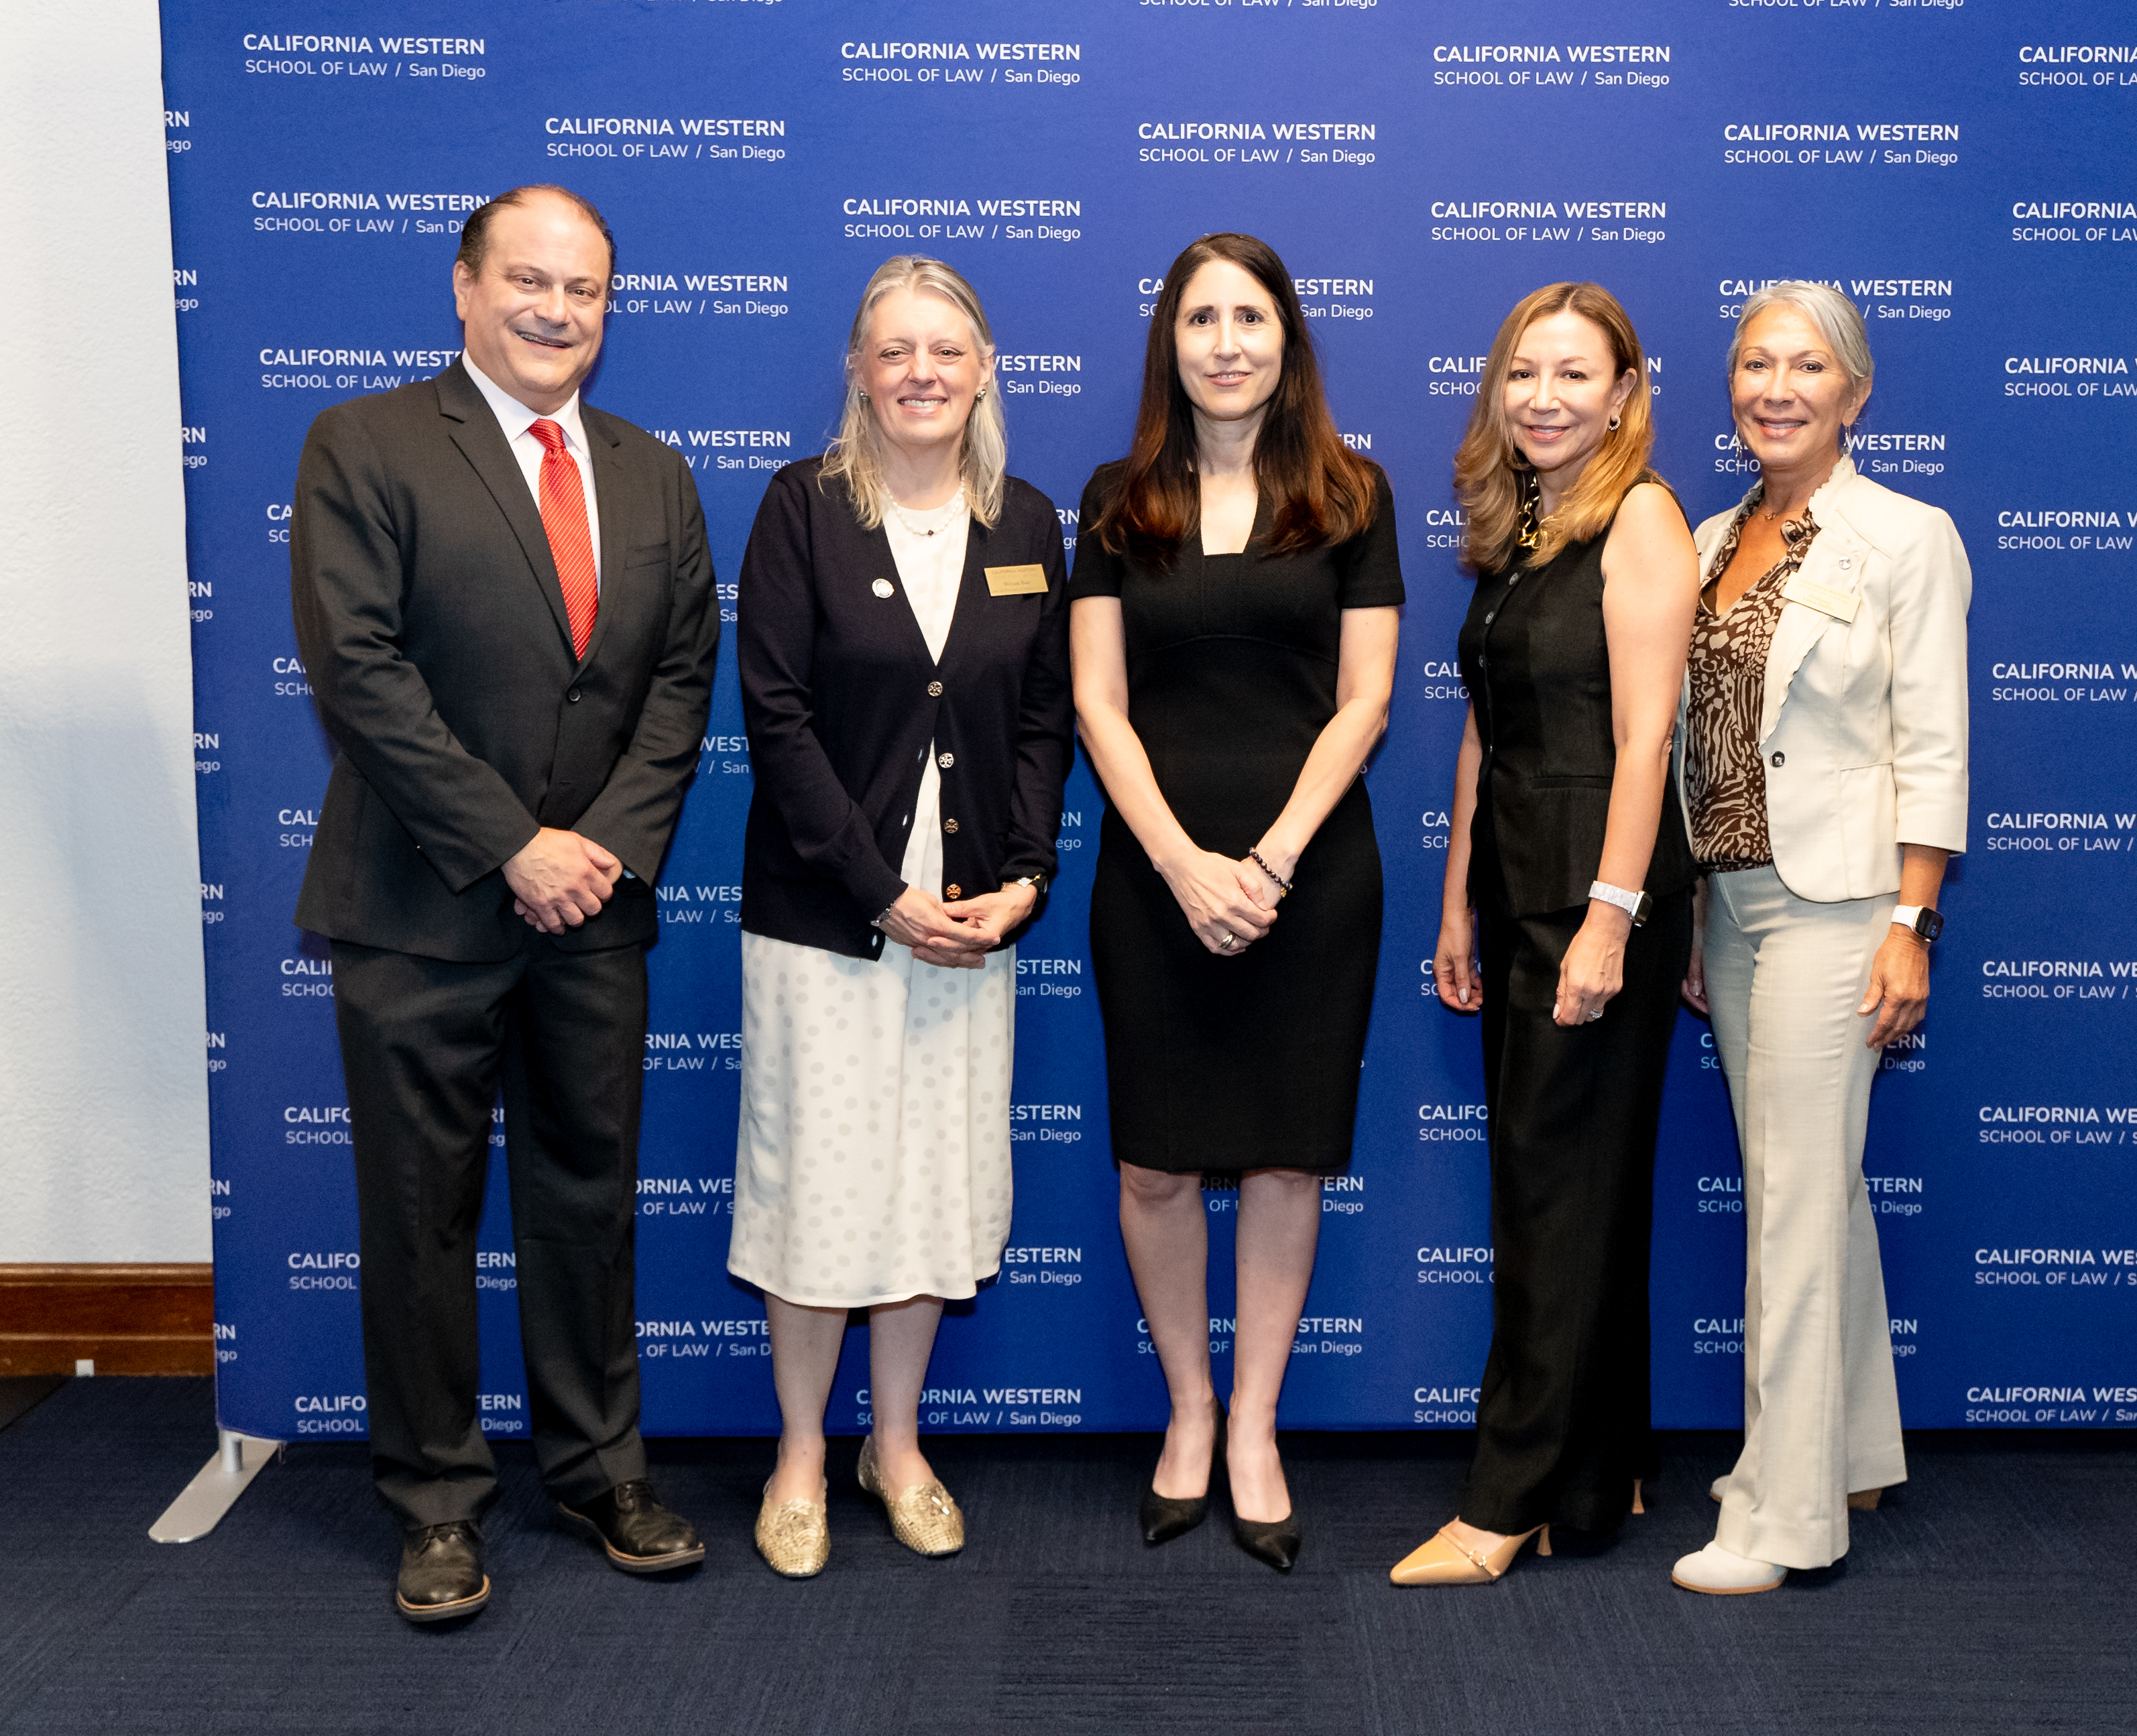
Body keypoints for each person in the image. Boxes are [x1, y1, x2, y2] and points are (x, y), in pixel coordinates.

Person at [288, 184, 720, 1622]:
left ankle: (600, 1471)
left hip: (593, 914)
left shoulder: (656, 476)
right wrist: (512, 843)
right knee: (420, 1216)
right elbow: (360, 673)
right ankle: (433, 1500)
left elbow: (673, 689)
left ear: (611, 307)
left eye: (585, 288)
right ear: (463, 287)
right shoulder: (366, 442)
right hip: (421, 906)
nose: (555, 309)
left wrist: (592, 846)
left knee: (587, 1205)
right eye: (528, 280)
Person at [729, 256, 1072, 1580]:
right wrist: (881, 890)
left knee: (929, 1183)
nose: (921, 371)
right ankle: (803, 1453)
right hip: (830, 918)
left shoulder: (1027, 522)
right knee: (819, 1187)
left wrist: (1026, 874)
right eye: (894, 350)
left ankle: (898, 1443)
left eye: (946, 348)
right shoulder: (802, 509)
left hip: (973, 919)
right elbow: (775, 714)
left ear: (983, 370)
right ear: (860, 372)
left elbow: (1041, 718)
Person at [1069, 232, 1403, 1572]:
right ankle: (1188, 1409)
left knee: (1280, 1154)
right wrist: (1179, 861)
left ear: (1287, 338)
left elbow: (1364, 697)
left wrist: (1261, 864)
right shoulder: (1111, 494)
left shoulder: (1347, 491)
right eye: (1199, 317)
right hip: (1153, 874)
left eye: (1248, 316)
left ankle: (1255, 1421)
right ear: (1170, 340)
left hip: (1308, 876)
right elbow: (1096, 699)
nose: (1223, 340)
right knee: (1152, 1159)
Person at [1388, 283, 1700, 1586]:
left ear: (1624, 390)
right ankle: (1594, 1469)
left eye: (1574, 375)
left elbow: (1646, 737)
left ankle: (1505, 1497)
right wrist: (1458, 894)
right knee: (1580, 1190)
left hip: (1596, 885)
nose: (1544, 397)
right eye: (1523, 373)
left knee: (1549, 1197)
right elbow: (1485, 725)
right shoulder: (1518, 522)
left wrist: (1607, 920)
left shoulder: (1640, 517)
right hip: (1515, 875)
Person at [1668, 281, 1969, 1595]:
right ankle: (1846, 1447)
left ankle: (1782, 1515)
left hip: (1840, 905)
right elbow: (1698, 743)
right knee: (1811, 1186)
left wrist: (1911, 920)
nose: (1774, 387)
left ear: (1853, 391)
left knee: (1789, 1201)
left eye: (1805, 366)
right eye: (1752, 364)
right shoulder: (1700, 535)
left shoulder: (1904, 536)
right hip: (1729, 907)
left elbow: (1934, 745)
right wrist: (1690, 912)